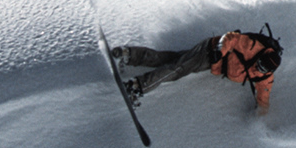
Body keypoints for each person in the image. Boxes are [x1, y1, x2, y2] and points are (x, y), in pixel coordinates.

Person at [111, 28, 283, 112]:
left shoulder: (264, 78)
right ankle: (138, 86)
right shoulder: (253, 47)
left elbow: (263, 100)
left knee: (169, 61)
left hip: (212, 64)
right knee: (176, 70)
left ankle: (129, 55)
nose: (257, 69)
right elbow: (231, 37)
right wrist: (219, 52)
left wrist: (260, 118)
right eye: (258, 64)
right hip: (209, 51)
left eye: (262, 69)